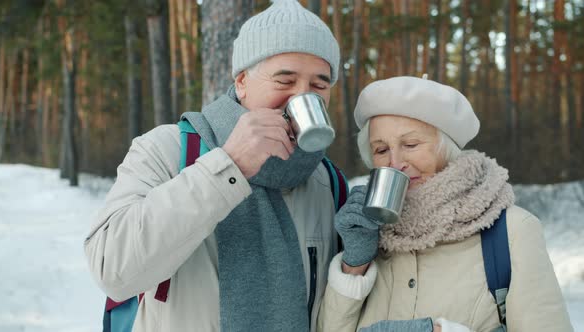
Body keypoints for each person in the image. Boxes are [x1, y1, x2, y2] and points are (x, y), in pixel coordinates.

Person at [84, 1, 342, 331]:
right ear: (242, 82)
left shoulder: (326, 182)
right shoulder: (168, 150)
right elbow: (112, 268)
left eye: (319, 86)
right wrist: (228, 167)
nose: (301, 97)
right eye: (285, 80)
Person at [317, 76, 574, 332]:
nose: (395, 163)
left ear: (446, 149)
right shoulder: (364, 233)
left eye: (410, 144)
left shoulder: (513, 231)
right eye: (381, 150)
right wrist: (354, 265)